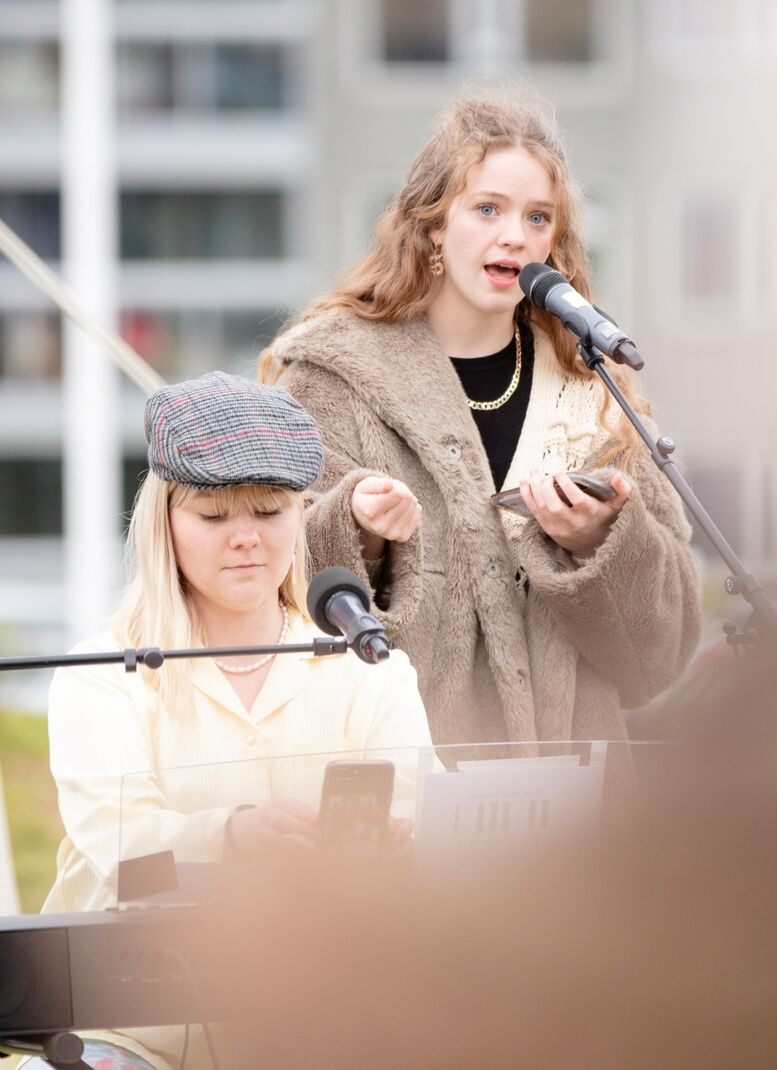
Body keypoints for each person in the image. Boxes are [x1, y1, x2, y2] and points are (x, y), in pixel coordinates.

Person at [260, 89, 701, 745]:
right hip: (405, 793)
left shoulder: (595, 389)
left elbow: (658, 661)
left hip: (574, 810)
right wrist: (359, 531)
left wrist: (599, 546)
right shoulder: (329, 379)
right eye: (486, 208)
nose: (513, 235)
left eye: (536, 217)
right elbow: (264, 585)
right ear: (434, 222)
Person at [27, 371, 432, 1070]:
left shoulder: (367, 662)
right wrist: (231, 836)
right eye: (214, 517)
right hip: (132, 1034)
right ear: (164, 523)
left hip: (331, 1029)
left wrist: (402, 851)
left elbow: (427, 818)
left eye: (270, 513)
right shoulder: (102, 671)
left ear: (301, 514)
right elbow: (123, 858)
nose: (245, 539)